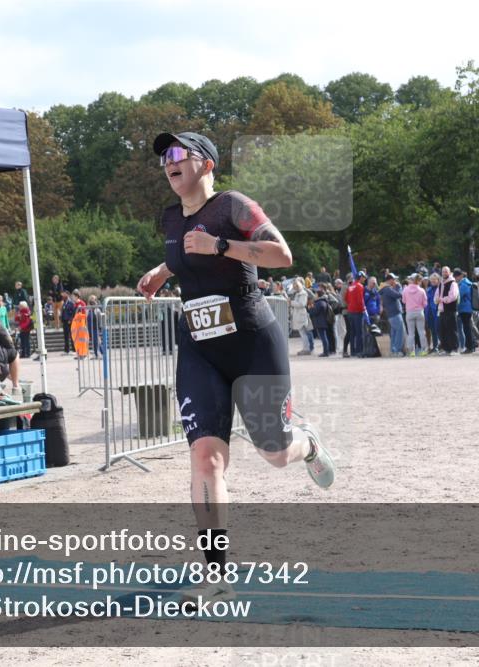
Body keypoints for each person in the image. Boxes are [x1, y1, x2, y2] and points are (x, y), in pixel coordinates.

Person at [137, 130, 335, 605]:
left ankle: (305, 444)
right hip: (199, 349)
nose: (169, 162)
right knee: (206, 459)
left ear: (206, 164)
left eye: (179, 153)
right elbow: (183, 251)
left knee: (273, 452)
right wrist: (162, 273)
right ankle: (217, 574)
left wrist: (222, 247)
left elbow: (282, 256)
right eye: (165, 157)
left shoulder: (234, 207)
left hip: (251, 344)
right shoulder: (168, 217)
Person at [379, 273, 405, 356]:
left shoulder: (385, 288)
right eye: (394, 279)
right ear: (390, 280)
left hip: (391, 314)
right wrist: (399, 287)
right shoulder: (387, 289)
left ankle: (393, 350)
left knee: (394, 332)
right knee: (400, 332)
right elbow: (399, 295)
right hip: (395, 313)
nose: (395, 281)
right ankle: (397, 350)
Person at [402, 274, 428, 356]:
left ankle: (412, 351)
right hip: (419, 311)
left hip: (409, 312)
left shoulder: (405, 290)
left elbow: (403, 301)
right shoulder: (422, 290)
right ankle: (424, 350)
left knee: (411, 333)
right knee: (421, 332)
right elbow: (425, 304)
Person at [436, 266, 460, 355]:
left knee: (452, 330)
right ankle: (447, 349)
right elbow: (436, 295)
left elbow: (453, 296)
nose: (444, 273)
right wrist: (436, 300)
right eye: (443, 272)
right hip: (442, 310)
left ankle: (454, 349)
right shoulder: (441, 283)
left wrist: (441, 299)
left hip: (450, 310)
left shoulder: (453, 283)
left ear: (449, 273)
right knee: (443, 330)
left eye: (446, 272)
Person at [290, 277, 314, 355]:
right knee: (303, 333)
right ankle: (306, 348)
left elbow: (302, 304)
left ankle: (307, 349)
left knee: (304, 333)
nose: (294, 287)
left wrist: (291, 302)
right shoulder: (298, 293)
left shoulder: (303, 293)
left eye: (295, 286)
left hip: (301, 315)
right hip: (298, 314)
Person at [345, 272, 366, 357]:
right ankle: (359, 351)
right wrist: (363, 309)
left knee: (352, 332)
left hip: (350, 311)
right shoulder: (360, 286)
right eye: (364, 277)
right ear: (360, 277)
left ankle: (353, 351)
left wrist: (351, 305)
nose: (364, 279)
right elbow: (360, 300)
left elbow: (346, 298)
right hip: (358, 312)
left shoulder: (350, 286)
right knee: (359, 332)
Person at [454, 269, 475, 353]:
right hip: (466, 308)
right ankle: (471, 345)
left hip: (465, 308)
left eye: (457, 276)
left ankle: (470, 347)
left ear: (461, 276)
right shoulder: (466, 283)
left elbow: (459, 295)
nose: (455, 278)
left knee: (467, 328)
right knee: (467, 328)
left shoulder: (464, 284)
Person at [308, 287, 332, 357]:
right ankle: (326, 351)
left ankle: (326, 352)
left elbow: (313, 312)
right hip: (323, 321)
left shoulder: (319, 303)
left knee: (323, 337)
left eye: (315, 294)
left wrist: (310, 308)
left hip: (320, 322)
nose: (314, 295)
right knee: (324, 337)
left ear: (318, 295)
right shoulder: (323, 302)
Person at [425, 273, 441, 353]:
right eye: (431, 280)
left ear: (438, 280)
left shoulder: (440, 289)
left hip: (438, 312)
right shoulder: (428, 290)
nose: (433, 281)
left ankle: (442, 346)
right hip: (429, 313)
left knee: (439, 330)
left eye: (434, 279)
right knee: (433, 331)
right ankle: (435, 346)